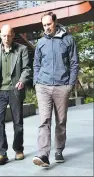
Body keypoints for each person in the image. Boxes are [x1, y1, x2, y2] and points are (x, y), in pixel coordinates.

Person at [33, 12, 79, 167]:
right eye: (44, 25)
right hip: (43, 86)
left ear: (55, 22)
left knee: (61, 121)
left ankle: (59, 150)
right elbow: (36, 64)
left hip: (62, 86)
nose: (46, 28)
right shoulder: (40, 43)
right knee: (44, 120)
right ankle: (43, 155)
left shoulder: (68, 40)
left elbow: (74, 63)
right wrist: (36, 82)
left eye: (49, 24)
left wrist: (70, 85)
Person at [0, 24, 31, 165]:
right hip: (0, 91)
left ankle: (18, 149)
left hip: (15, 90)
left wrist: (22, 81)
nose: (6, 38)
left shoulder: (21, 49)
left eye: (9, 35)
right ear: (0, 35)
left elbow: (27, 69)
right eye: (4, 35)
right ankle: (1, 153)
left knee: (18, 122)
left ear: (13, 35)